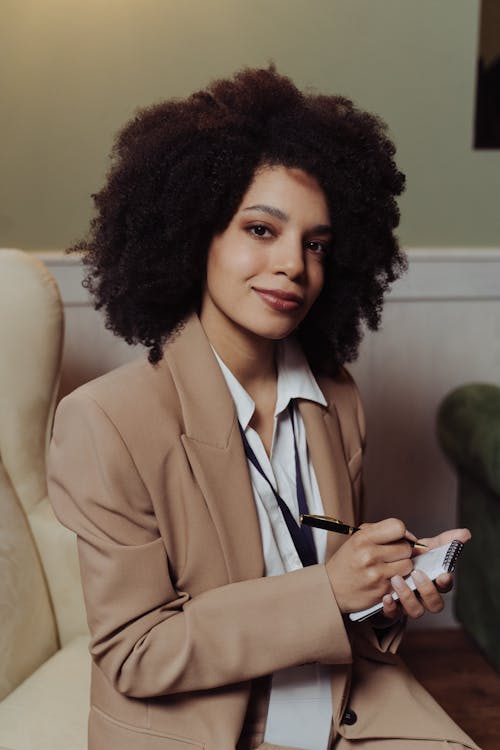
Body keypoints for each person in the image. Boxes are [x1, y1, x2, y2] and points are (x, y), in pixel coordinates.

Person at [47, 66, 479, 750]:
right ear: (197, 236)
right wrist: (328, 591)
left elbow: (344, 605)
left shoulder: (337, 398)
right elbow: (137, 650)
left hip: (342, 704)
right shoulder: (105, 424)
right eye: (260, 229)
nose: (293, 266)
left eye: (316, 245)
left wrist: (387, 595)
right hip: (201, 726)